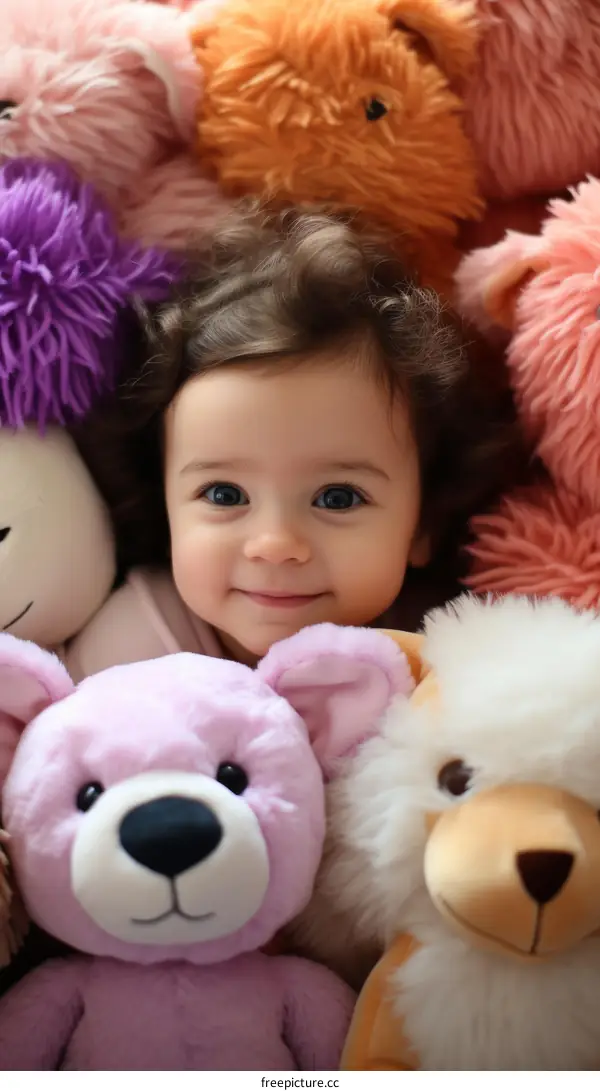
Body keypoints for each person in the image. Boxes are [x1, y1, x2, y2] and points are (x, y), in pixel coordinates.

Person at [66, 203, 524, 680]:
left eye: (338, 498)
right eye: (224, 494)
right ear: (166, 508)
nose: (275, 544)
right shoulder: (136, 650)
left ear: (422, 524)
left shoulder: (439, 646)